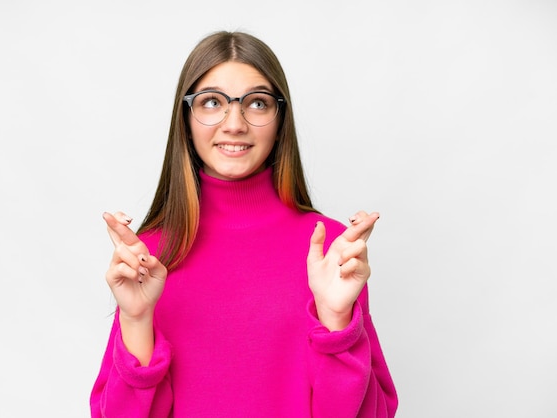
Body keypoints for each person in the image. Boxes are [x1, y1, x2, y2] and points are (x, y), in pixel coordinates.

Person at [90, 30, 398, 417]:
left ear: (279, 118)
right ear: (185, 119)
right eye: (212, 102)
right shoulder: (149, 257)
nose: (234, 123)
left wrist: (336, 321)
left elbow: (372, 413)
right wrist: (136, 320)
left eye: (256, 103)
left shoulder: (331, 250)